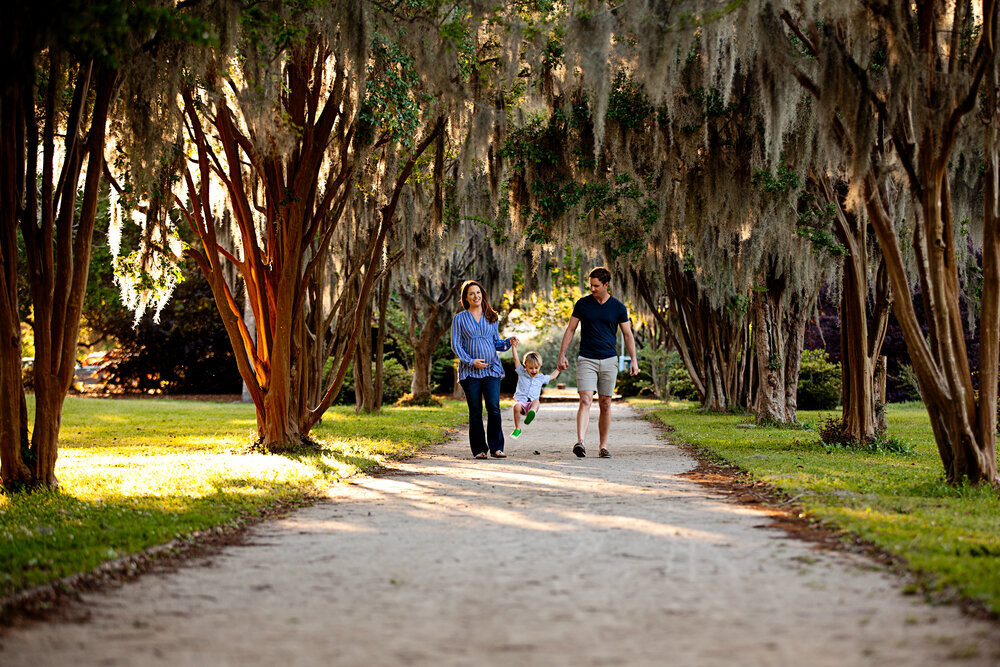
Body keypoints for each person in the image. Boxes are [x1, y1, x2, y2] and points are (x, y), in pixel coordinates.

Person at [557, 267, 639, 458]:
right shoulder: (583, 304)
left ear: (606, 284)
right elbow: (570, 330)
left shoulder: (618, 307)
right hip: (587, 358)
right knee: (585, 399)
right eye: (591, 285)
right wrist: (562, 355)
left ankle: (603, 446)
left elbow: (627, 335)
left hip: (609, 359)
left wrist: (633, 360)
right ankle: (580, 442)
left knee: (605, 404)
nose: (592, 289)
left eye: (596, 286)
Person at [451, 280, 517, 459]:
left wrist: (508, 342)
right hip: (470, 371)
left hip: (492, 370)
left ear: (483, 295)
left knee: (494, 408)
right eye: (472, 293)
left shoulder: (491, 316)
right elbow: (456, 345)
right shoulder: (459, 318)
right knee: (475, 410)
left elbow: (496, 343)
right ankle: (479, 449)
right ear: (466, 297)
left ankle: (496, 448)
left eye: (478, 293)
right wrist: (471, 361)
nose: (476, 296)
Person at [509, 341, 560, 439]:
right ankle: (517, 429)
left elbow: (552, 376)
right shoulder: (521, 373)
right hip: (521, 402)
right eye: (531, 368)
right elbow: (516, 359)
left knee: (536, 401)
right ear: (525, 366)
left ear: (540, 366)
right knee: (516, 406)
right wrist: (514, 347)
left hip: (532, 404)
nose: (534, 370)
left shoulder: (541, 377)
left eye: (536, 368)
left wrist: (559, 369)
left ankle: (531, 413)